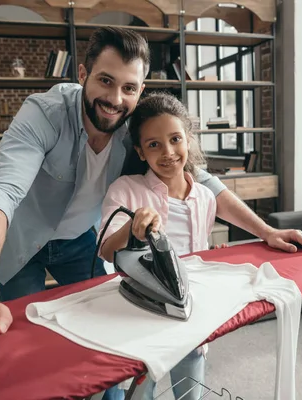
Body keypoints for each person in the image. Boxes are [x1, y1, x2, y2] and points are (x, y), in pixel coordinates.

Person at [0, 26, 302, 398]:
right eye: (105, 80)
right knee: (23, 343)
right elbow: (0, 192)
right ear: (83, 72)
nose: (115, 99)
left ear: (141, 89)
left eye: (129, 88)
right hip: (23, 243)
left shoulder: (137, 125)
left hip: (81, 241)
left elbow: (198, 178)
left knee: (102, 339)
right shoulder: (43, 113)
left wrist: (266, 232)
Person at [98, 92, 222, 399]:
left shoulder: (206, 198)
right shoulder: (125, 191)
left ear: (189, 140)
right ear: (140, 152)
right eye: (154, 144)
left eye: (175, 139)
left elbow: (199, 252)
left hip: (190, 320)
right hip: (143, 320)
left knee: (190, 394)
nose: (167, 152)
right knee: (141, 393)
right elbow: (105, 250)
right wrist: (132, 226)